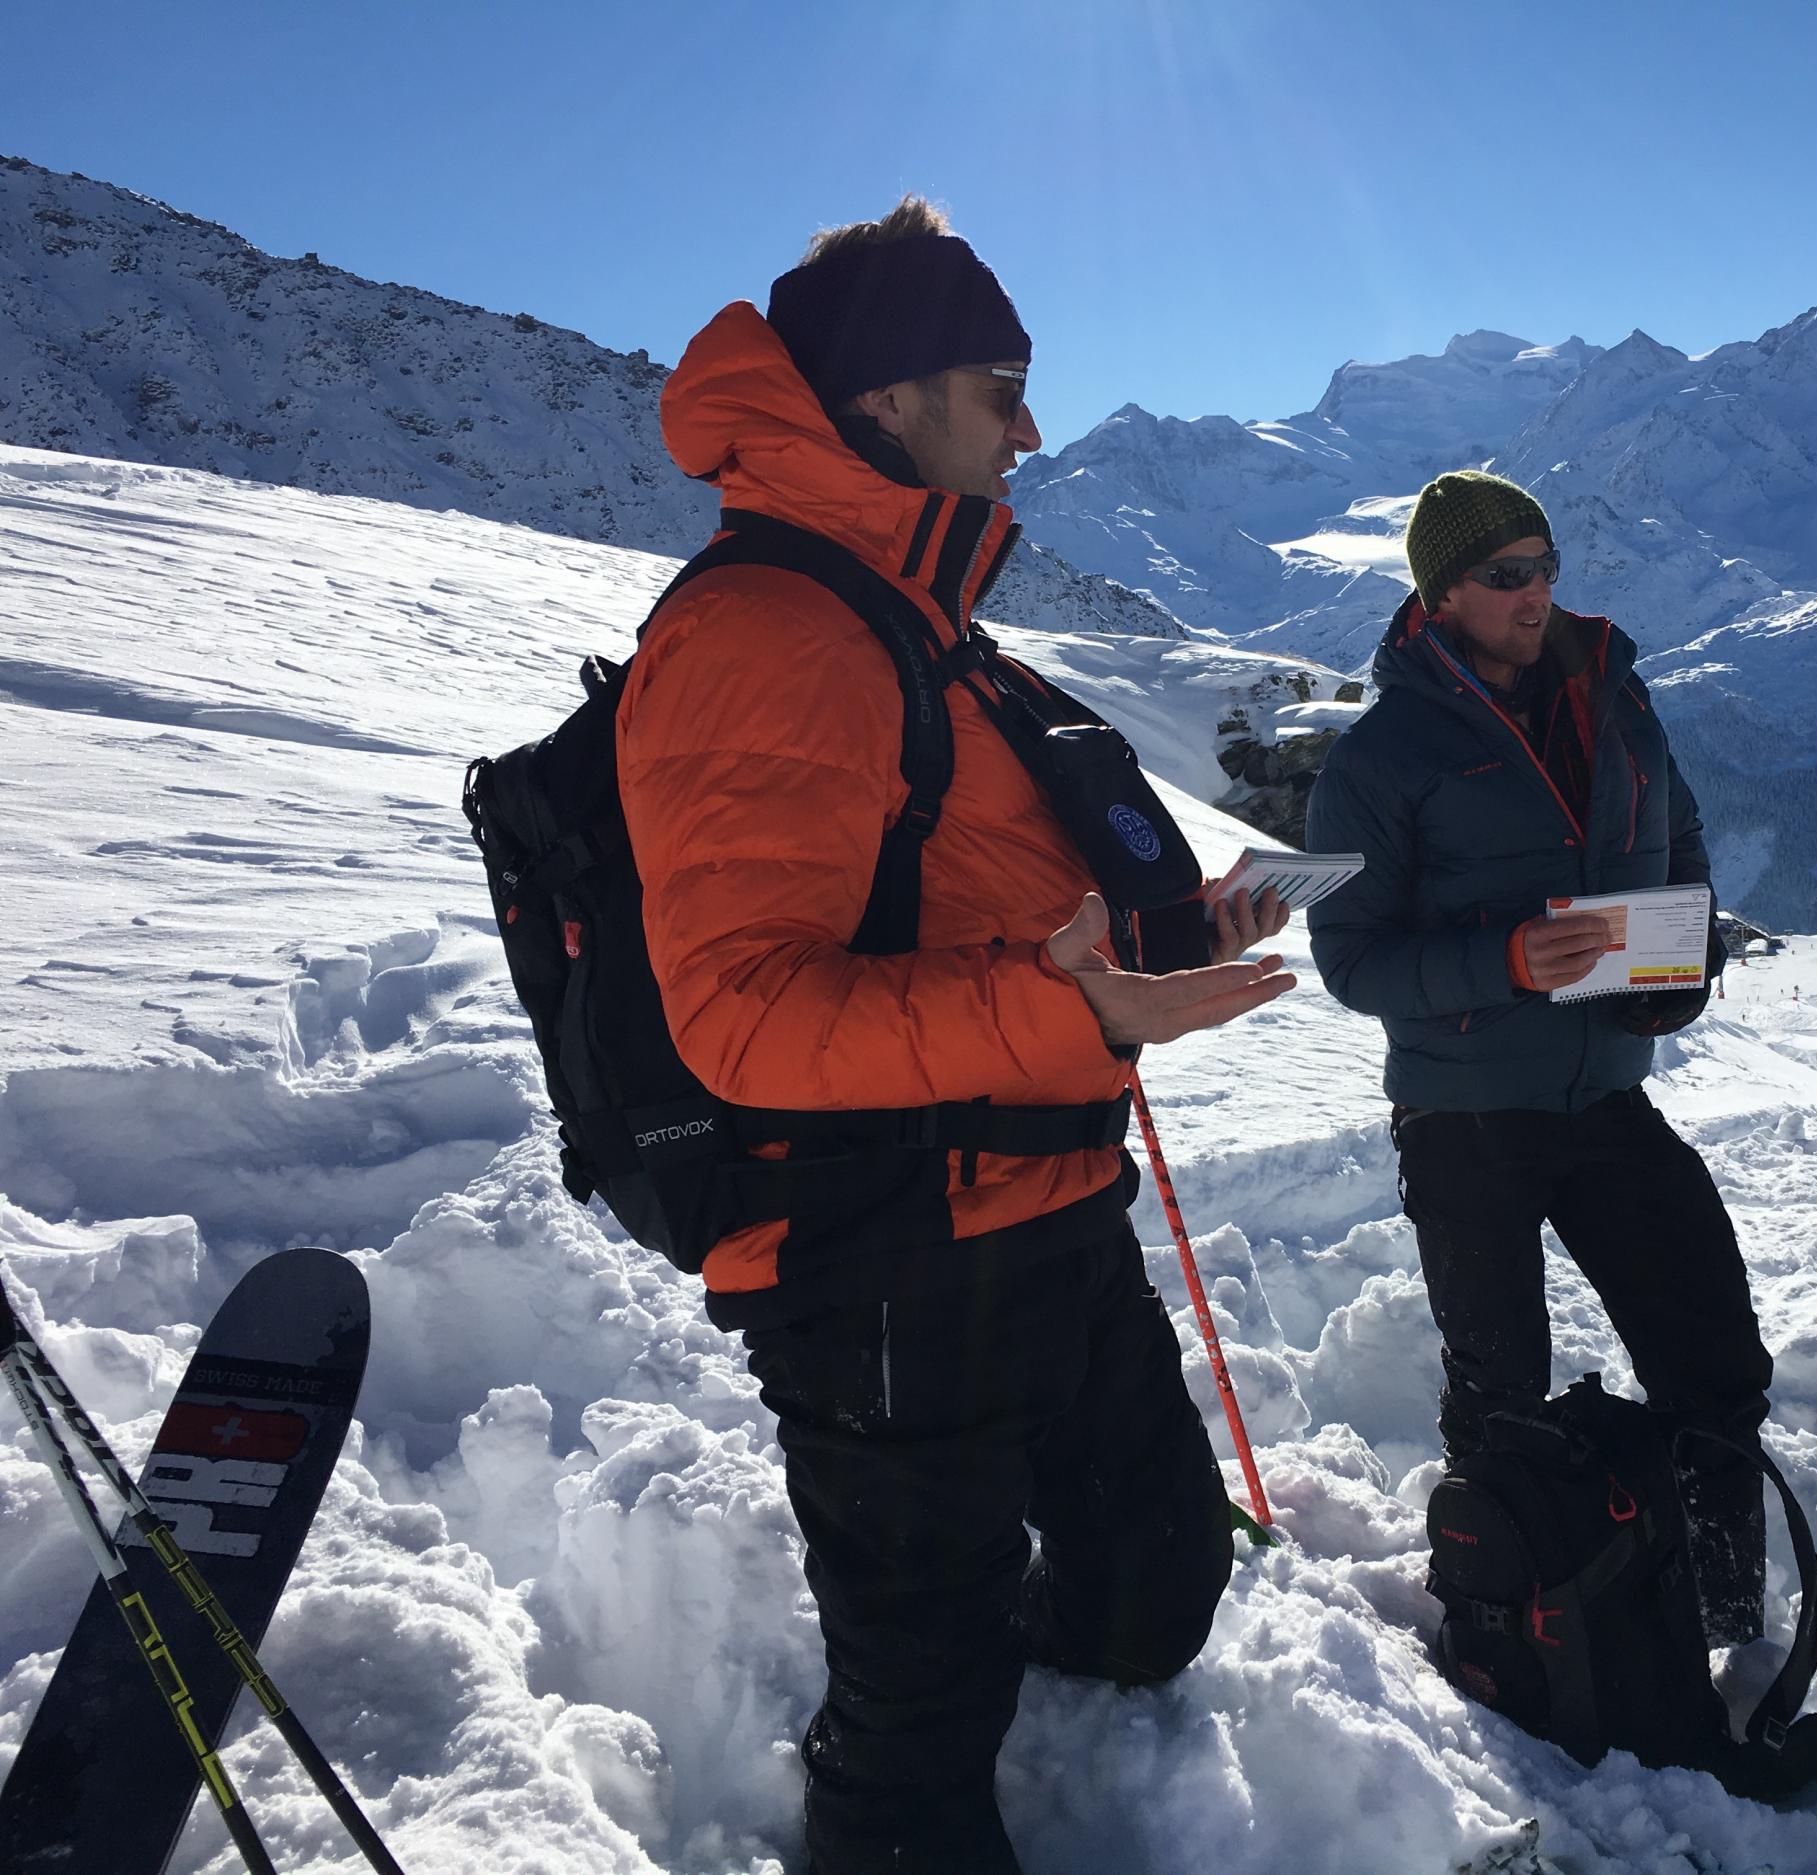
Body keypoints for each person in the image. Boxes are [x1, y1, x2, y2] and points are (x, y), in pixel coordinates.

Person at [614, 197, 1290, 1874]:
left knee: (1149, 1596)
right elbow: (741, 1016)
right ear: (898, 396)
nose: (1032, 427)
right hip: (889, 1263)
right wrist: (1062, 1007)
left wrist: (1173, 934)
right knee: (921, 1731)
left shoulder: (923, 629)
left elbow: (979, 902)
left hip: (1054, 1211)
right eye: (1002, 384)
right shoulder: (767, 637)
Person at [1302, 469, 1774, 1641]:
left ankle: (1721, 1617)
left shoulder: (1611, 695)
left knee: (1714, 1359)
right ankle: (1500, 1619)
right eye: (1504, 575)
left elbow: (1680, 841)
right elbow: (1353, 962)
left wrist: (1676, 969)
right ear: (1441, 594)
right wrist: (1505, 961)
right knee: (1500, 1391)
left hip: (1608, 1093)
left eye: (1545, 566)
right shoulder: (1383, 756)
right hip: (1464, 1116)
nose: (1535, 594)